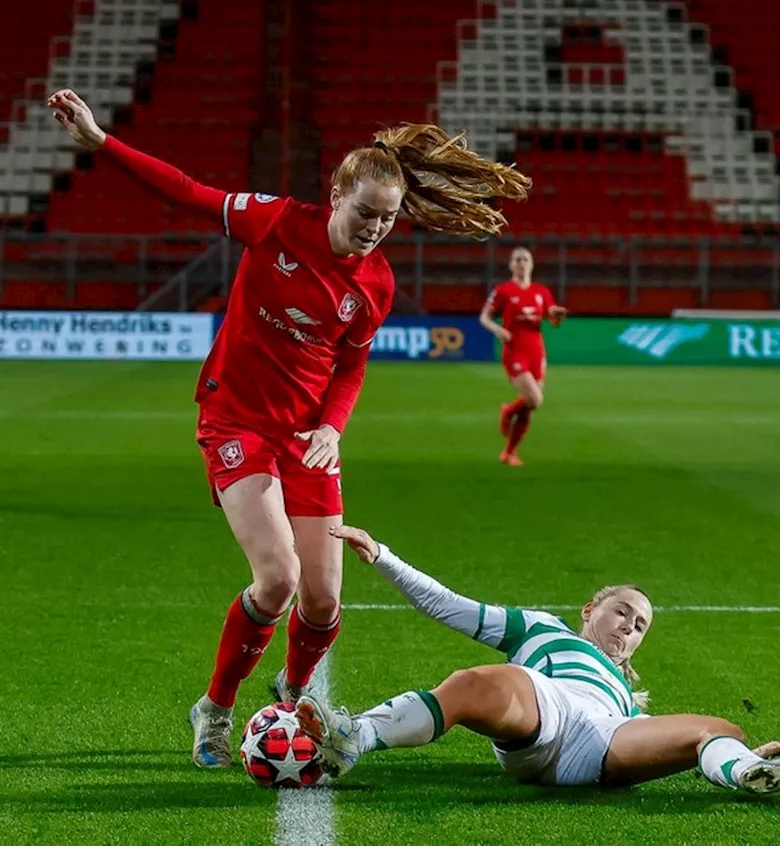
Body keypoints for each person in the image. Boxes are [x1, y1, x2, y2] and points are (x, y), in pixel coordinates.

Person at [46, 89, 533, 769]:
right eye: (365, 213)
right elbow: (188, 192)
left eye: (388, 220)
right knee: (276, 579)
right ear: (337, 192)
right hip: (236, 419)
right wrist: (102, 142)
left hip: (307, 437)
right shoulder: (273, 221)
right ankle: (214, 710)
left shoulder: (376, 285)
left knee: (324, 597)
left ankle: (294, 694)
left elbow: (352, 365)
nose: (373, 229)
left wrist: (333, 426)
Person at [296, 524, 780, 795]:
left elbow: (654, 734)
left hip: (605, 741)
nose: (629, 628)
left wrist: (735, 747)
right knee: (477, 682)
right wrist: (384, 557)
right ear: (591, 608)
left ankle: (753, 773)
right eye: (623, 612)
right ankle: (355, 737)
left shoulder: (625, 691)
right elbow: (450, 606)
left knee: (716, 727)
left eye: (640, 627)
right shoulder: (542, 628)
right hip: (544, 714)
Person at [479, 246, 566, 466]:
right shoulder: (503, 290)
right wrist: (498, 330)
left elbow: (552, 321)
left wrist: (557, 316)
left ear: (532, 264)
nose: (521, 263)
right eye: (517, 259)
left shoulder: (541, 291)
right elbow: (485, 317)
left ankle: (509, 452)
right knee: (535, 399)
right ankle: (508, 412)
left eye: (525, 259)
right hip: (514, 349)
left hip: (536, 350)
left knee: (529, 406)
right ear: (510, 265)